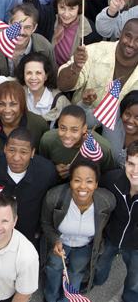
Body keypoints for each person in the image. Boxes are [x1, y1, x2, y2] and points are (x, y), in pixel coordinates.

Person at [0, 127, 57, 247]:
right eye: (12, 150)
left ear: (32, 152)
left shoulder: (46, 171)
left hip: (26, 238)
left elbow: (51, 205)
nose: (16, 157)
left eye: (23, 152)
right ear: (5, 148)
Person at [41, 159, 115, 302]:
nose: (82, 186)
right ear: (70, 181)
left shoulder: (107, 202)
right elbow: (45, 223)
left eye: (89, 181)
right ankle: (50, 297)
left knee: (76, 272)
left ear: (96, 184)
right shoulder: (54, 197)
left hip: (85, 245)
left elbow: (106, 225)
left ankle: (67, 299)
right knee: (54, 268)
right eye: (77, 180)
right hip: (60, 242)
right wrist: (55, 240)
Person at [0, 3, 57, 112]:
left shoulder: (44, 47)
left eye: (27, 27)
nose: (21, 32)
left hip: (30, 107)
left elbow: (51, 79)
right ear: (9, 23)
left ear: (35, 28)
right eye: (17, 26)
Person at [0, 51, 70, 128]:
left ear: (46, 75)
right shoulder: (19, 87)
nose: (33, 78)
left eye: (38, 73)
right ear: (23, 75)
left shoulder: (59, 100)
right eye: (29, 73)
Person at [57, 18, 138, 106]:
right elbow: (62, 85)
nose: (131, 43)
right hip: (82, 117)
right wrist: (75, 67)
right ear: (120, 33)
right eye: (128, 36)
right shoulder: (93, 51)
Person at [96, 140, 138, 302]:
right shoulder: (112, 180)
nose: (135, 171)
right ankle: (95, 282)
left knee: (135, 278)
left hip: (136, 246)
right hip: (111, 237)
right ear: (125, 163)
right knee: (100, 267)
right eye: (131, 164)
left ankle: (130, 298)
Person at [24, 0, 101, 66]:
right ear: (56, 5)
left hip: (72, 74)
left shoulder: (89, 30)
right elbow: (35, 10)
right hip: (47, 70)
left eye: (71, 9)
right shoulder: (51, 16)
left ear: (79, 8)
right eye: (62, 7)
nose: (66, 14)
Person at [0, 81, 48, 158]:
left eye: (13, 104)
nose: (7, 110)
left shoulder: (38, 124)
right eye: (2, 104)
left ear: (22, 104)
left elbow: (45, 157)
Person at [39, 105, 115, 180]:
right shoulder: (48, 140)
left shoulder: (103, 148)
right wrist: (53, 170)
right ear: (58, 124)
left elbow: (108, 176)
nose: (67, 135)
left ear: (84, 128)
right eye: (63, 128)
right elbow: (42, 166)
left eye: (74, 130)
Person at [81, 90, 138, 168]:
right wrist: (85, 105)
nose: (131, 121)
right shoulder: (112, 112)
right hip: (95, 170)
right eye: (127, 114)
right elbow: (83, 121)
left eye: (137, 117)